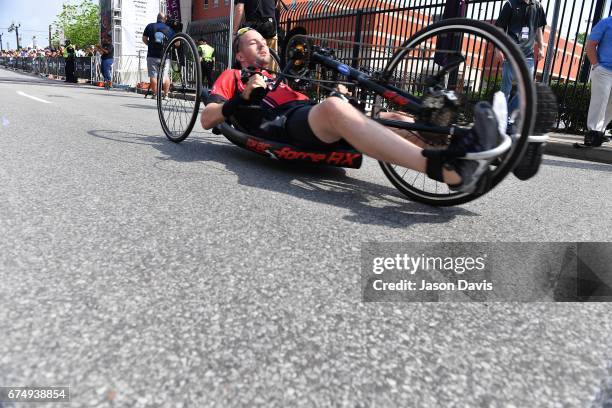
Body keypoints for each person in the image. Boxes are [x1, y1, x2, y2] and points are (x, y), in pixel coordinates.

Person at [200, 28, 503, 193]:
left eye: (264, 42)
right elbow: (208, 118)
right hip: (280, 125)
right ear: (240, 55)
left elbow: (312, 112)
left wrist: (336, 95)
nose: (263, 47)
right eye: (254, 44)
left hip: (308, 118)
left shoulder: (280, 78)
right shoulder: (233, 76)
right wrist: (245, 94)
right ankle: (447, 169)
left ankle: (484, 150)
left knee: (391, 118)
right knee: (333, 109)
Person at [495, 0, 547, 180]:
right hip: (510, 51)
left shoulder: (538, 6)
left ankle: (506, 118)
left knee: (525, 89)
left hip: (528, 55)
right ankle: (501, 122)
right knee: (506, 89)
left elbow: (539, 28)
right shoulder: (510, 4)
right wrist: (498, 48)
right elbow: (500, 28)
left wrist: (542, 46)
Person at [584, 16, 612, 147]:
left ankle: (599, 132)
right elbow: (590, 44)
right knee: (599, 102)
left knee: (611, 106)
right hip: (604, 70)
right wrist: (596, 65)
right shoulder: (605, 23)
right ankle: (592, 133)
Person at [233, 0, 279, 70]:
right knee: (271, 63)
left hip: (254, 29)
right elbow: (276, 5)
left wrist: (234, 32)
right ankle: (271, 78)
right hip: (271, 27)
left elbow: (239, 9)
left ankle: (253, 76)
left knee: (252, 61)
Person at [142, 12, 175, 99]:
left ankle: (155, 95)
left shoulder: (150, 26)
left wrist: (150, 45)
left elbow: (144, 39)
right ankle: (166, 95)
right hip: (165, 56)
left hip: (152, 55)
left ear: (157, 18)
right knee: (165, 75)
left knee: (153, 75)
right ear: (165, 19)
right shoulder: (169, 29)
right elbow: (177, 43)